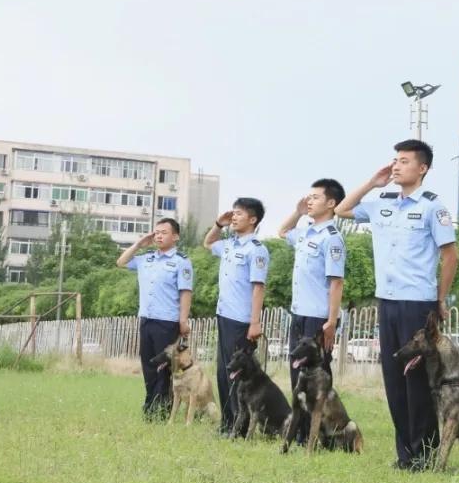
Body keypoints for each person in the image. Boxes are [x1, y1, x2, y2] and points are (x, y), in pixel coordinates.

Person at [335, 139, 458, 471]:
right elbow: (342, 210)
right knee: (393, 379)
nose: (397, 165)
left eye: (404, 161)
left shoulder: (434, 207)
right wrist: (372, 183)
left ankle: (424, 453)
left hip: (417, 303)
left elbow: (450, 256)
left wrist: (440, 297)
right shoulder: (381, 201)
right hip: (387, 301)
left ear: (422, 168)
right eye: (395, 160)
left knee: (417, 380)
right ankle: (405, 453)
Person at [277, 178, 347, 444]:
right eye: (309, 196)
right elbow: (283, 232)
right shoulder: (306, 231)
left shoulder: (332, 239)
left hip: (319, 317)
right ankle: (302, 434)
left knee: (318, 380)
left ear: (331, 203)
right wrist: (297, 211)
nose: (310, 200)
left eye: (315, 197)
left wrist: (331, 321)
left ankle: (322, 435)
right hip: (299, 313)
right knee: (297, 376)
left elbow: (336, 282)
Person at [204, 197, 270, 434]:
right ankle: (228, 423)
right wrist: (218, 225)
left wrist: (255, 322)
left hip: (241, 320)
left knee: (239, 375)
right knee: (224, 372)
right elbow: (208, 243)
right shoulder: (230, 244)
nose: (234, 217)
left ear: (253, 219)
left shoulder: (256, 250)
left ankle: (241, 427)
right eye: (233, 213)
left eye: (239, 213)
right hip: (224, 315)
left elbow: (258, 287)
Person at [116, 217, 194, 420]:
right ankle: (150, 406)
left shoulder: (181, 262)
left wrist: (183, 320)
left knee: (164, 368)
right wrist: (139, 244)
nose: (159, 235)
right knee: (148, 366)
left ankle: (161, 410)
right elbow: (121, 262)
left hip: (167, 322)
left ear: (175, 236)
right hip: (147, 320)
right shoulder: (146, 258)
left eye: (164, 232)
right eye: (156, 232)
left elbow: (186, 292)